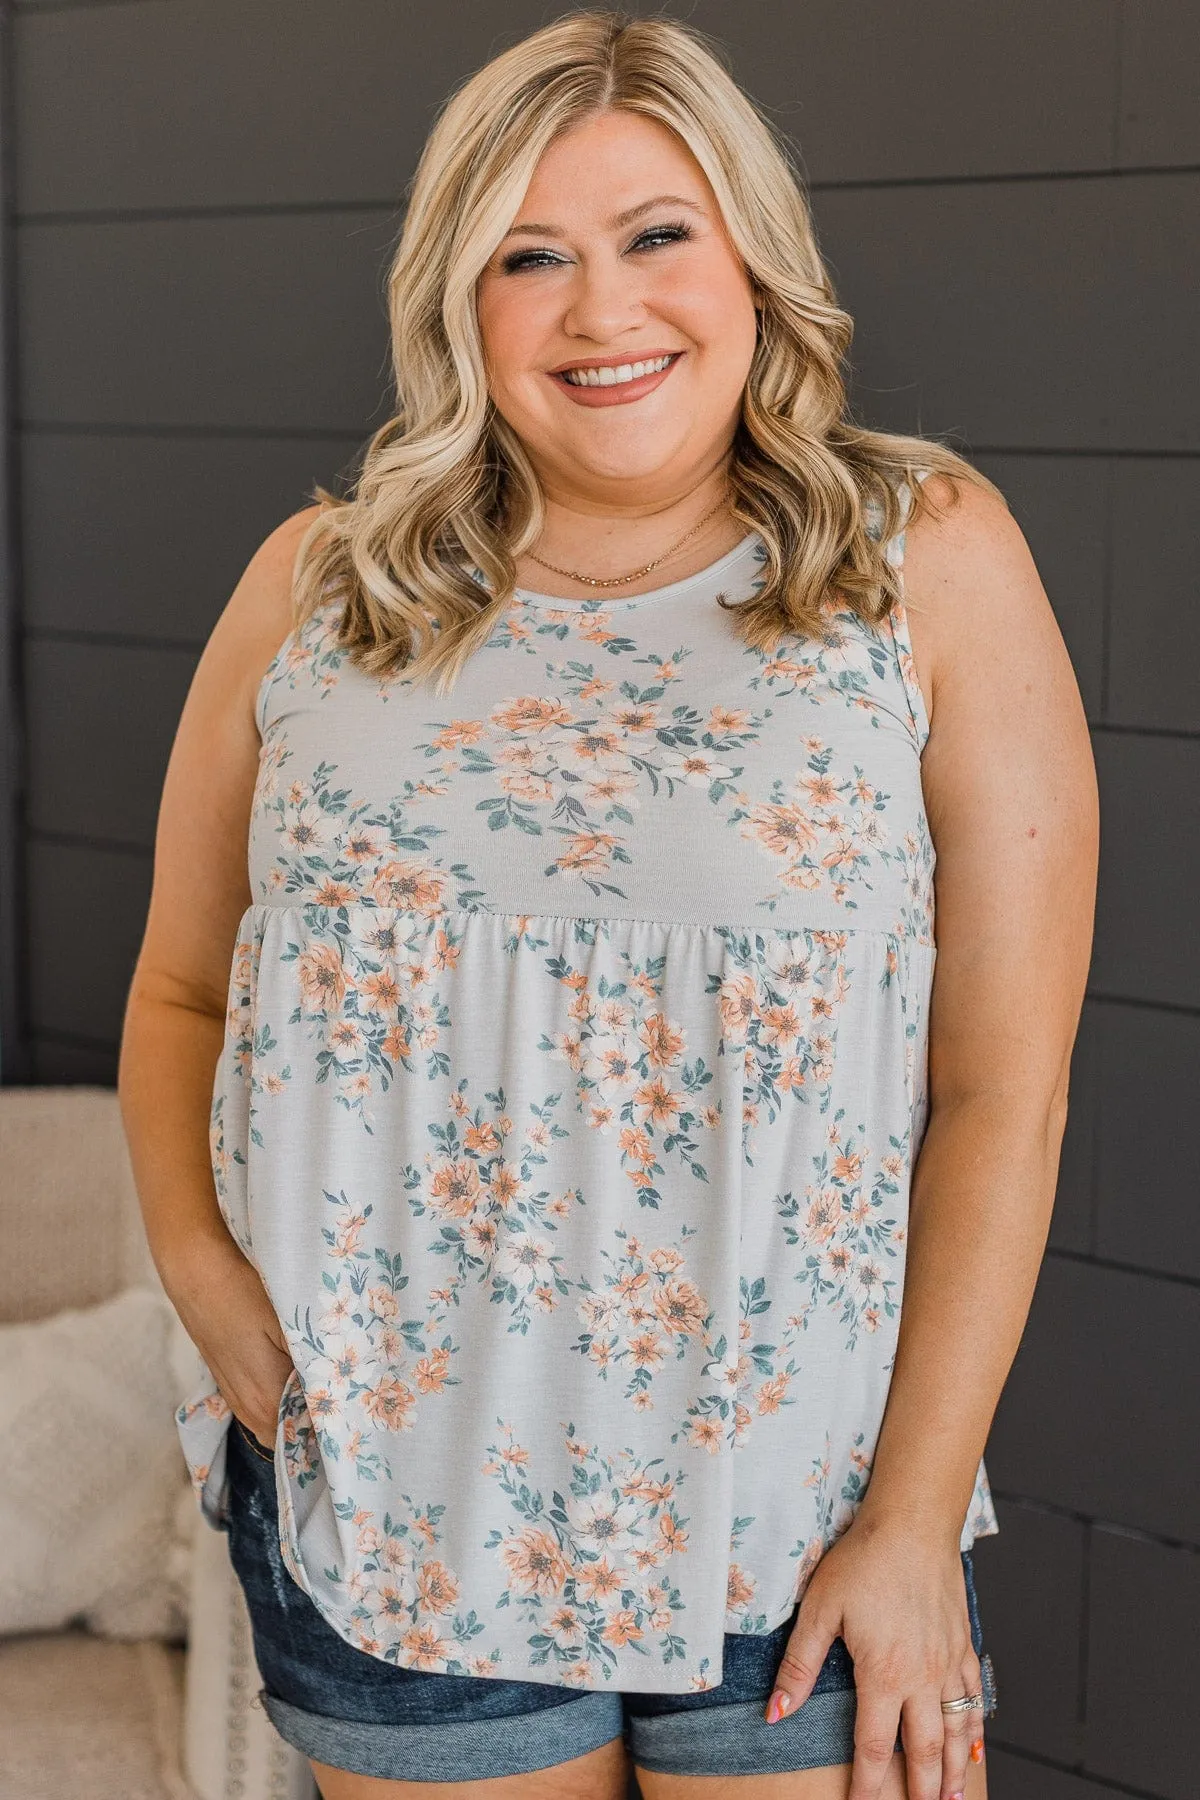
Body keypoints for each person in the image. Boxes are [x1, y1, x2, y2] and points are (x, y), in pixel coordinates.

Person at [117, 11, 1098, 1799]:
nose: (601, 310)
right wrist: (204, 1279)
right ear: (456, 299)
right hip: (397, 1499)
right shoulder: (315, 590)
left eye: (657, 235)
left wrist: (908, 1518)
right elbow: (184, 986)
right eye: (530, 257)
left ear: (751, 260)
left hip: (799, 1512)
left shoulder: (924, 560)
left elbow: (1001, 1093)